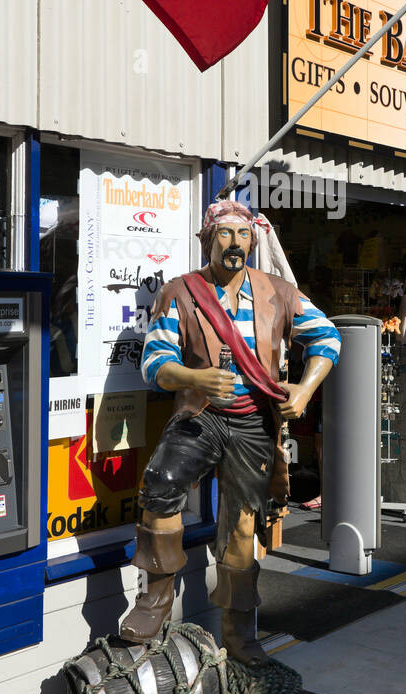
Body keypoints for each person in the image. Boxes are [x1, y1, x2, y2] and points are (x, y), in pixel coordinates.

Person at [118, 200, 340, 666]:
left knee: (242, 525)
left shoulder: (278, 292)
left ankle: (239, 632)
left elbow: (327, 339)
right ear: (206, 239)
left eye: (242, 235)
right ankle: (156, 601)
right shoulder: (180, 292)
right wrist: (194, 378)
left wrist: (303, 388)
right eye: (224, 234)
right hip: (201, 414)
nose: (234, 243)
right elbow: (154, 362)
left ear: (252, 241)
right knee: (160, 487)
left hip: (254, 420)